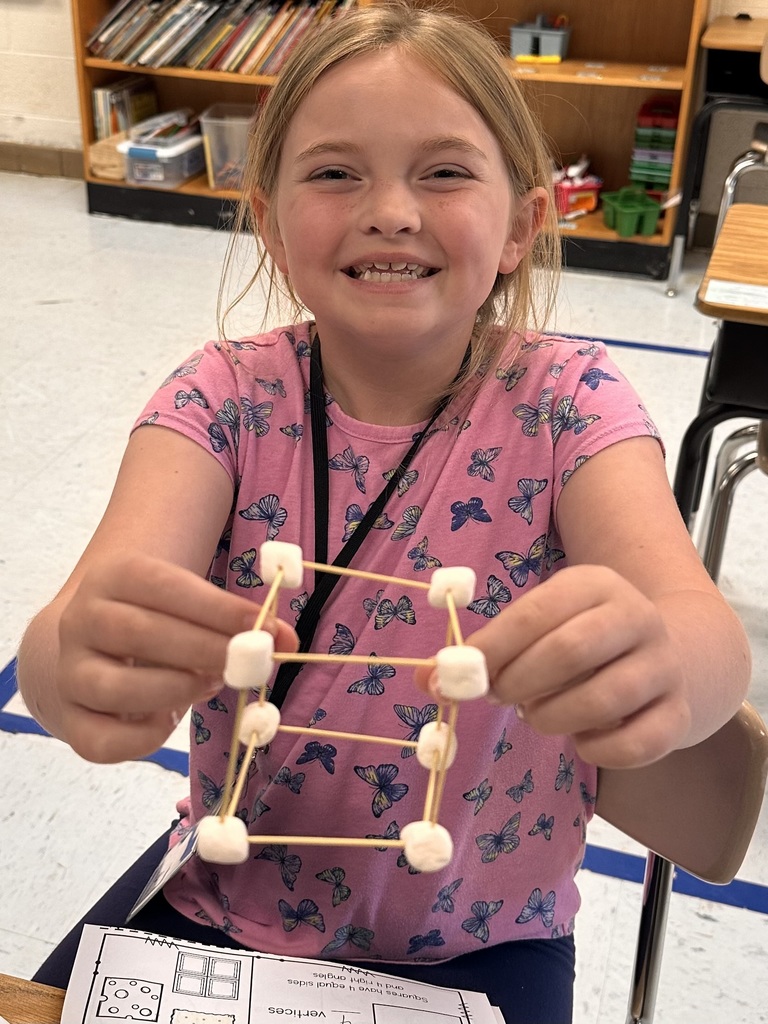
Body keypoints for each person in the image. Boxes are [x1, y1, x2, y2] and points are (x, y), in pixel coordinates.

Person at [17, 3, 750, 1021]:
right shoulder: (221, 400)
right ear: (270, 223)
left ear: (521, 225)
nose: (392, 210)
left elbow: (702, 633)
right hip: (217, 903)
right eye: (334, 172)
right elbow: (64, 644)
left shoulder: (568, 403)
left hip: (483, 942)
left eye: (445, 172)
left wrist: (667, 661)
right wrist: (75, 668)